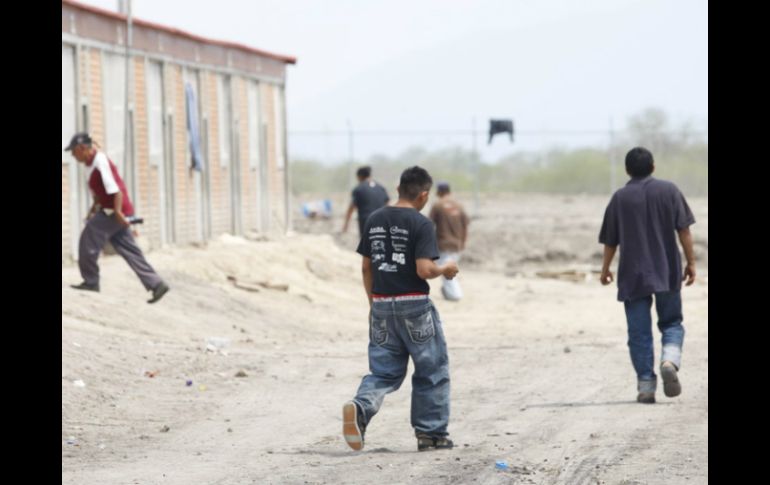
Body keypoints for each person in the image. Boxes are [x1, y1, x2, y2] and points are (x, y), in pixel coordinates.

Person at [342, 166, 459, 452]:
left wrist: (373, 304)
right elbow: (423, 269)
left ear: (397, 190)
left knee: (383, 372)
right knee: (431, 370)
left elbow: (366, 266)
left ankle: (361, 406)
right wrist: (445, 269)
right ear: (423, 195)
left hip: (381, 303)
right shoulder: (421, 224)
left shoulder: (374, 219)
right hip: (414, 306)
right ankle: (431, 434)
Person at [599, 147, 696, 403]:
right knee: (672, 323)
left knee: (639, 333)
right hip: (667, 271)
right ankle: (669, 360)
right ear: (653, 166)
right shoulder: (669, 190)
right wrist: (691, 263)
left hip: (633, 275)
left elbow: (610, 240)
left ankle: (645, 386)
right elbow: (684, 231)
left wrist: (605, 268)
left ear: (627, 170)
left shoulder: (619, 198)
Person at [65, 132, 170, 303]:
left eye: (74, 151)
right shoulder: (89, 165)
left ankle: (91, 282)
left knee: (88, 239)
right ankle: (157, 284)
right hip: (111, 209)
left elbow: (116, 190)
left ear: (82, 148)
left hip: (113, 210)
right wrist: (92, 210)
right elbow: (99, 194)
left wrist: (119, 213)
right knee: (129, 249)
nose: (72, 155)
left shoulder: (99, 161)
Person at [429, 182, 469, 301]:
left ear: (438, 192)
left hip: (443, 244)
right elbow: (465, 226)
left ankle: (455, 295)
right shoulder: (459, 205)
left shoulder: (437, 205)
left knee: (446, 270)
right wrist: (463, 242)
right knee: (450, 269)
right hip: (457, 244)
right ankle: (450, 292)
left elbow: (429, 225)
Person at [342, 166, 389, 237]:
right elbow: (387, 205)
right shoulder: (381, 187)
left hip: (366, 221)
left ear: (359, 176)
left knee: (366, 244)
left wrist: (346, 225)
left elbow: (351, 207)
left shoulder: (358, 189)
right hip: (381, 221)